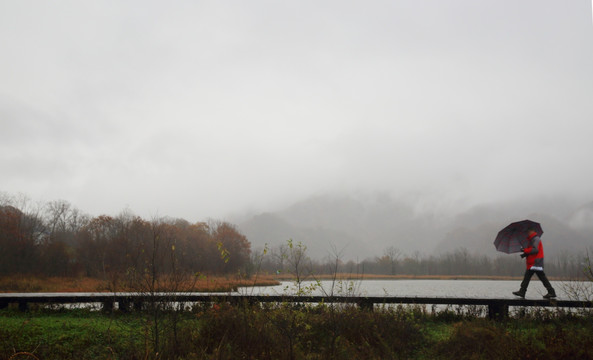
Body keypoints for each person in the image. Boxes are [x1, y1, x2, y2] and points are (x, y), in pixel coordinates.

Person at [512, 230, 556, 299]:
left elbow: (535, 250)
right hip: (534, 262)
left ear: (532, 231)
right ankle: (551, 292)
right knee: (540, 277)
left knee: (528, 277)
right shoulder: (533, 240)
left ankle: (522, 291)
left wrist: (525, 250)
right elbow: (532, 250)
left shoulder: (536, 239)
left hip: (535, 262)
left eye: (528, 232)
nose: (527, 233)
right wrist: (524, 254)